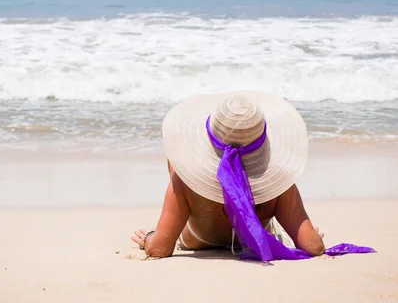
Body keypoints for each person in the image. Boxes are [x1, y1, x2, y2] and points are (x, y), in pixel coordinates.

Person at [131, 91, 326, 260]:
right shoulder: (280, 181)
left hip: (198, 242)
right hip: (255, 244)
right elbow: (313, 247)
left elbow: (159, 249)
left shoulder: (186, 179)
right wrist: (311, 238)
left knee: (176, 160)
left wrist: (149, 237)